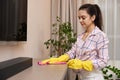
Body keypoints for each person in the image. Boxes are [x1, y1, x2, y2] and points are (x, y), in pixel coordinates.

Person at [40, 3, 109, 80]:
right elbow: (73, 52)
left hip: (93, 77)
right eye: (79, 18)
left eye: (83, 18)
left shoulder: (100, 36)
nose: (80, 20)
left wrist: (84, 64)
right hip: (81, 76)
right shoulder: (81, 36)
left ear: (93, 17)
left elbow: (104, 61)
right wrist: (61, 58)